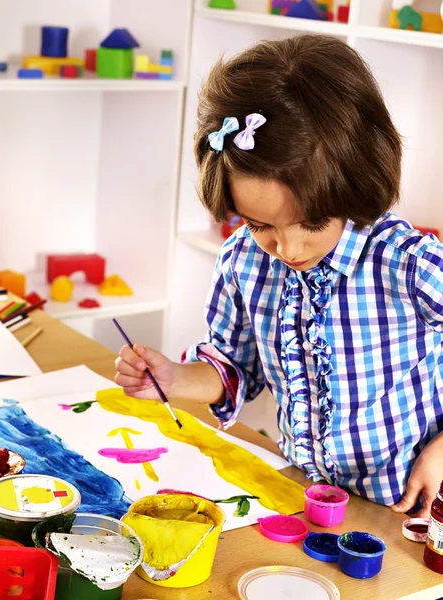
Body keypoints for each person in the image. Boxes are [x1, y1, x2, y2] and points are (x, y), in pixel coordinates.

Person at [115, 35, 443, 516]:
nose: (286, 249)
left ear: (355, 185)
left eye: (311, 223)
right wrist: (175, 378)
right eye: (259, 224)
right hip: (312, 501)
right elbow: (233, 369)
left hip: (418, 508)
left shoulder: (408, 263)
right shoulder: (243, 261)